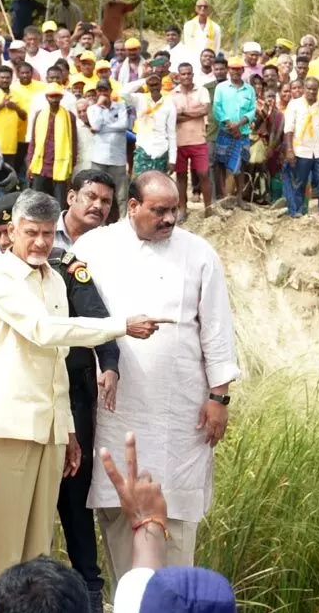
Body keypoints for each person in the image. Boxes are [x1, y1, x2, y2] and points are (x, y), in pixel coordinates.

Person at [0, 190, 163, 613]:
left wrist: (69, 430)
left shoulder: (55, 278)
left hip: (51, 430)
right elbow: (45, 330)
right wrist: (119, 327)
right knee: (3, 545)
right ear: (11, 232)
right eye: (30, 234)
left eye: (45, 233)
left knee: (39, 549)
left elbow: (56, 363)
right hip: (9, 426)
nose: (40, 243)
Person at [72, 172, 239, 573]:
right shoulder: (94, 246)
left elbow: (216, 328)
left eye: (175, 210)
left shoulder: (198, 252)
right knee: (118, 506)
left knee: (177, 513)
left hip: (181, 412)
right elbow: (74, 313)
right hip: (116, 407)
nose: (170, 219)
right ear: (132, 207)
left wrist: (219, 398)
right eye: (159, 210)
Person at [282, 76, 319, 218]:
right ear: (304, 88)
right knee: (299, 182)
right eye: (308, 88)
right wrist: (290, 150)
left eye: (314, 89)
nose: (311, 92)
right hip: (300, 150)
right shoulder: (294, 104)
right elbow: (289, 128)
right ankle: (297, 211)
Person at [212, 58, 257, 209]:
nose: (236, 72)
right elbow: (217, 108)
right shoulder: (221, 88)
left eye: (238, 69)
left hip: (242, 133)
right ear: (228, 70)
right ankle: (225, 197)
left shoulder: (249, 90)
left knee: (240, 167)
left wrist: (238, 125)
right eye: (233, 69)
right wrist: (229, 124)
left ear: (243, 71)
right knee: (223, 165)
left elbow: (252, 110)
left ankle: (239, 198)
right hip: (226, 132)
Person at [170, 63, 213, 221]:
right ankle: (183, 208)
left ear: (193, 75)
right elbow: (173, 117)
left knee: (203, 173)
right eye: (183, 74)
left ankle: (208, 208)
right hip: (179, 141)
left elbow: (204, 111)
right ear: (178, 76)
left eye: (189, 74)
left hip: (199, 140)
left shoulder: (202, 91)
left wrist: (182, 112)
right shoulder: (172, 94)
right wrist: (192, 114)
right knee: (181, 176)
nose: (186, 77)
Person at [86, 80, 132, 218]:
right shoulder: (92, 109)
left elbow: (124, 125)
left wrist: (104, 128)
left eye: (105, 90)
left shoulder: (121, 106)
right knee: (97, 193)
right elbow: (96, 126)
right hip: (99, 158)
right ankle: (98, 223)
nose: (103, 93)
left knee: (121, 195)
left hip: (118, 159)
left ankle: (124, 222)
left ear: (110, 91)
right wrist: (100, 107)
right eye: (100, 91)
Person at [26, 84, 78, 203]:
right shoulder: (40, 115)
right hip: (41, 165)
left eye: (57, 97)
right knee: (37, 202)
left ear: (61, 98)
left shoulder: (69, 116)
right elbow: (33, 141)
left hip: (61, 166)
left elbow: (73, 143)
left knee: (59, 203)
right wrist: (29, 163)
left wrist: (71, 167)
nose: (54, 100)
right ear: (46, 98)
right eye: (51, 97)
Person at [125, 73, 178, 175]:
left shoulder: (169, 104)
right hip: (143, 151)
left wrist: (172, 159)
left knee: (160, 188)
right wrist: (143, 80)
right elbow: (123, 93)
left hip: (161, 152)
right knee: (139, 187)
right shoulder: (140, 99)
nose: (154, 87)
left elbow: (172, 133)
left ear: (161, 85)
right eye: (151, 85)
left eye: (156, 84)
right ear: (147, 86)